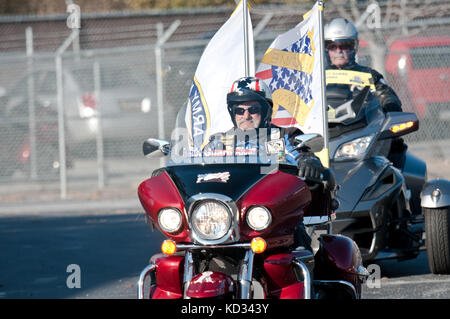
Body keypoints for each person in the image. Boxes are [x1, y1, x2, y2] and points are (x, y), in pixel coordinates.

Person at [207, 76, 333, 251]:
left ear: (266, 110)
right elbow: (198, 167)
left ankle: (303, 273)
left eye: (253, 109)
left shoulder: (283, 136)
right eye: (239, 110)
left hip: (273, 216)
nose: (246, 115)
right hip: (225, 218)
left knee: (298, 243)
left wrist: (308, 160)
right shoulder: (218, 142)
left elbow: (302, 153)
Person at [324, 18, 407, 168]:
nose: (339, 51)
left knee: (396, 144)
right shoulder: (315, 77)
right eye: (332, 46)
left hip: (359, 134)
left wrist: (391, 109)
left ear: (354, 47)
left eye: (345, 45)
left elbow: (387, 96)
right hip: (322, 134)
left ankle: (397, 188)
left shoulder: (369, 75)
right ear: (325, 48)